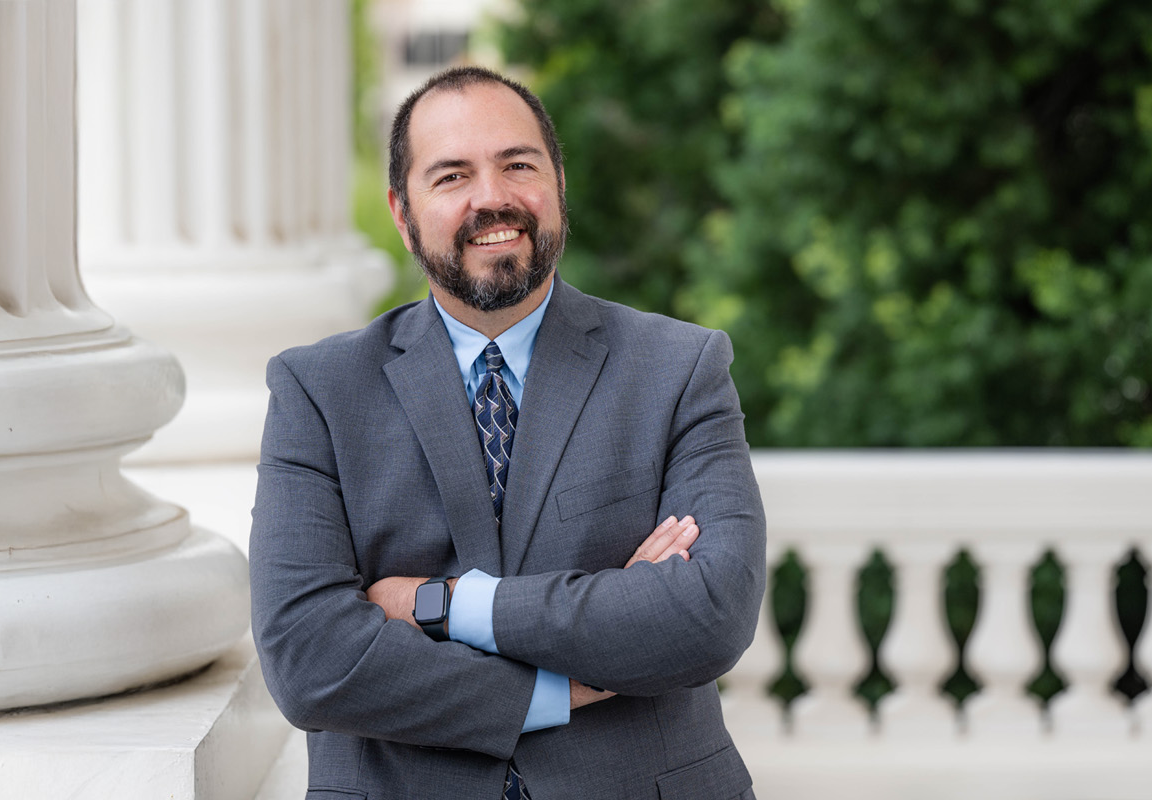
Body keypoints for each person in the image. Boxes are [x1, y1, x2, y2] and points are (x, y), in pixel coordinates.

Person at [250, 66, 766, 800]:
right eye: (452, 175)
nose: (491, 197)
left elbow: (711, 611)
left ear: (558, 183)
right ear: (403, 213)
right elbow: (309, 659)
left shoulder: (680, 367)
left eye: (517, 165)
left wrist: (444, 604)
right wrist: (552, 691)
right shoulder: (319, 392)